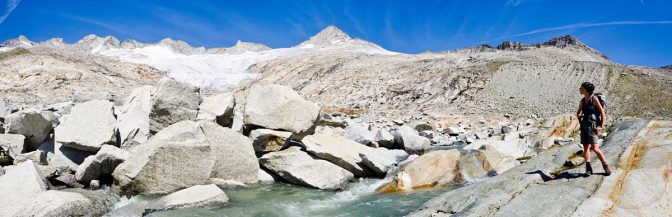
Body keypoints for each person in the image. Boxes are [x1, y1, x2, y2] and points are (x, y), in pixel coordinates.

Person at [576, 82, 611, 176]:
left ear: (586, 90)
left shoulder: (594, 99)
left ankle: (605, 166)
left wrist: (601, 126)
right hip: (584, 126)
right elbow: (578, 113)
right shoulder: (582, 101)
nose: (579, 89)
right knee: (586, 147)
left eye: (581, 88)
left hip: (593, 126)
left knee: (595, 147)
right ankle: (588, 169)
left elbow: (602, 113)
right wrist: (580, 120)